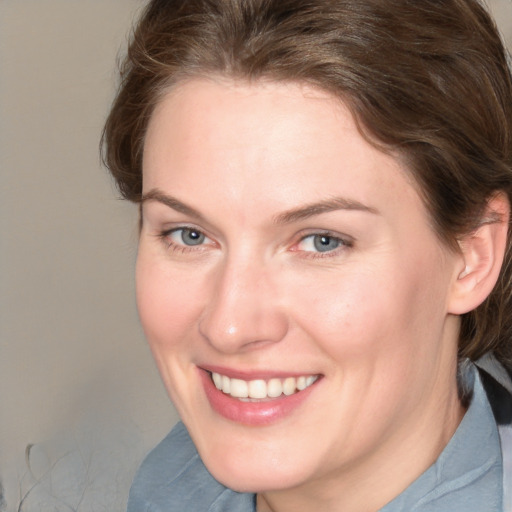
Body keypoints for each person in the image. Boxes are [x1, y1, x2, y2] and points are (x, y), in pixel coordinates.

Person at [102, 0, 512, 510]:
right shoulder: (172, 482)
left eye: (322, 241)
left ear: (473, 256)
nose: (230, 327)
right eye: (189, 235)